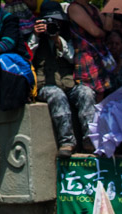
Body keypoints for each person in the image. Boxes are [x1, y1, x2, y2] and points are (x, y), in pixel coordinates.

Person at [32, 2, 95, 157]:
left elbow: (73, 57)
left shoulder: (67, 36)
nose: (53, 24)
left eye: (57, 21)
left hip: (68, 83)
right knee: (56, 95)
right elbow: (27, 54)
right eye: (49, 21)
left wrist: (58, 41)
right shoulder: (34, 36)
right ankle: (67, 142)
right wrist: (36, 35)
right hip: (45, 85)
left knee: (86, 92)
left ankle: (90, 139)